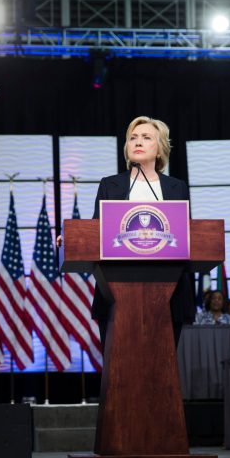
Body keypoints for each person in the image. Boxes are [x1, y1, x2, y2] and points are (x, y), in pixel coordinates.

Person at [91, 116, 195, 345]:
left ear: (159, 149)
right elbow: (93, 232)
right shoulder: (110, 185)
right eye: (132, 138)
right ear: (127, 148)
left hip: (168, 297)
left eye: (146, 137)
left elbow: (188, 237)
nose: (137, 142)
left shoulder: (177, 187)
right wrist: (70, 239)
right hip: (116, 295)